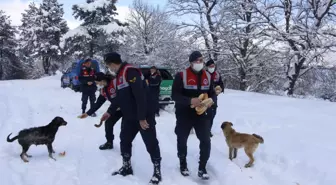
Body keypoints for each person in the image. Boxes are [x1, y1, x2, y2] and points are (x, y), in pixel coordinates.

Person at [100, 52, 162, 185]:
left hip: (143, 115)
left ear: (112, 63)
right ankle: (126, 166)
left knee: (150, 143)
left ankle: (157, 171)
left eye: (109, 65)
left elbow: (140, 95)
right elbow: (118, 98)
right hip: (129, 116)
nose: (109, 68)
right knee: (125, 140)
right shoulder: (119, 76)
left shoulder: (130, 71)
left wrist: (141, 117)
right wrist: (109, 112)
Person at [171, 51, 217, 180]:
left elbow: (212, 93)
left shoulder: (208, 76)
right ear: (191, 62)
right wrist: (190, 101)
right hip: (184, 113)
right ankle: (183, 164)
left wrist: (211, 102)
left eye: (201, 60)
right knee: (182, 139)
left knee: (206, 140)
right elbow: (175, 95)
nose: (199, 63)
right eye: (196, 61)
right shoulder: (181, 75)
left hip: (202, 114)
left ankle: (202, 167)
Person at [78, 72, 123, 150]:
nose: (97, 84)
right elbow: (98, 103)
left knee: (125, 129)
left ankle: (126, 150)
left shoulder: (115, 84)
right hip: (116, 108)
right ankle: (109, 143)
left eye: (97, 82)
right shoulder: (104, 90)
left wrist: (109, 111)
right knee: (108, 123)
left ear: (102, 80)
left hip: (128, 108)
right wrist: (88, 113)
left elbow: (120, 99)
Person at [205, 59, 224, 137]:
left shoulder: (217, 74)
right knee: (206, 113)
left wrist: (220, 89)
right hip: (205, 96)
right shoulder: (203, 74)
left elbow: (221, 84)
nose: (212, 67)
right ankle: (205, 130)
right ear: (207, 67)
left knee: (213, 113)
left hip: (214, 97)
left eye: (213, 66)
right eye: (210, 66)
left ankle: (208, 129)